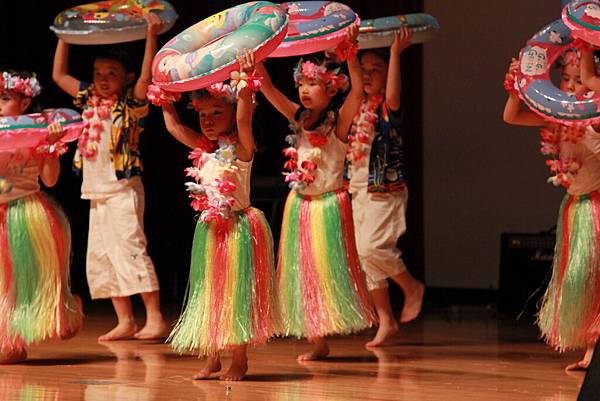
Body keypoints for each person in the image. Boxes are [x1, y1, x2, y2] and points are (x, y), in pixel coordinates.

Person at [257, 26, 376, 361]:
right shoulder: (299, 119)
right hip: (300, 206)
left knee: (323, 271)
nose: (304, 90)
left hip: (327, 206)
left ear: (330, 88)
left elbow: (356, 94)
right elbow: (267, 88)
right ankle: (316, 340)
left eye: (312, 84)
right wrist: (256, 59)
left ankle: (326, 328)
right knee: (301, 273)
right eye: (301, 84)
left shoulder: (338, 122)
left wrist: (350, 56)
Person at [52, 13, 167, 341]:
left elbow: (147, 76)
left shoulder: (131, 102)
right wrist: (65, 36)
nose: (102, 79)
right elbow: (59, 75)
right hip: (95, 191)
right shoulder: (89, 99)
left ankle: (155, 318)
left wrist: (150, 35)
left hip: (122, 189)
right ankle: (125, 320)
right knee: (103, 255)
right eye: (98, 74)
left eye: (111, 74)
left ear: (125, 77)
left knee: (130, 250)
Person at [163, 50, 276, 381]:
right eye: (202, 114)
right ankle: (212, 357)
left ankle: (238, 359)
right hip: (210, 230)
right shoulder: (203, 148)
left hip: (239, 227)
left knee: (236, 295)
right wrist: (164, 97)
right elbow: (172, 127)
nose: (208, 120)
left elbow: (243, 119)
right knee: (210, 292)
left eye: (216, 112)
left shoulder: (241, 150)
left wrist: (243, 84)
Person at [504, 50, 600, 371]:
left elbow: (591, 84)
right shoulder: (555, 118)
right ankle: (590, 350)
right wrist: (517, 83)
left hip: (599, 205)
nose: (572, 86)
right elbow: (511, 116)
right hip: (575, 208)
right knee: (581, 279)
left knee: (592, 276)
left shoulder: (596, 117)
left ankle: (592, 352)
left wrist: (586, 47)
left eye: (578, 79)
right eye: (566, 79)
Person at [346, 27, 425, 347]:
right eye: (362, 70)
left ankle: (411, 287)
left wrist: (394, 54)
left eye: (374, 70)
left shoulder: (385, 109)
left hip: (385, 189)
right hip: (356, 189)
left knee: (372, 249)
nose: (367, 76)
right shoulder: (354, 108)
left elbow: (393, 95)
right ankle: (387, 319)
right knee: (365, 259)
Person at [0, 70, 83, 363]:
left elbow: (49, 181)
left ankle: (15, 339)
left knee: (18, 282)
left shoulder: (36, 135)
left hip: (23, 214)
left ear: (24, 104)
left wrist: (50, 149)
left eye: (5, 98)